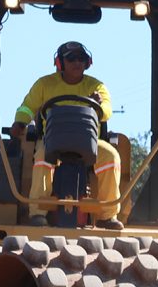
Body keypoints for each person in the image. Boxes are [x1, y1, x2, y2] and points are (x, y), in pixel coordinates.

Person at [11, 41, 123, 229]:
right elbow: (27, 106)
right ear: (60, 63)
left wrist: (97, 103)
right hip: (53, 140)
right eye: (71, 58)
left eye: (81, 58)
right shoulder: (45, 84)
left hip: (89, 141)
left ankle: (107, 215)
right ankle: (38, 213)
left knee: (111, 156)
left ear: (88, 63)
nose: (76, 62)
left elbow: (106, 110)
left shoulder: (96, 86)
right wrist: (20, 121)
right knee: (41, 156)